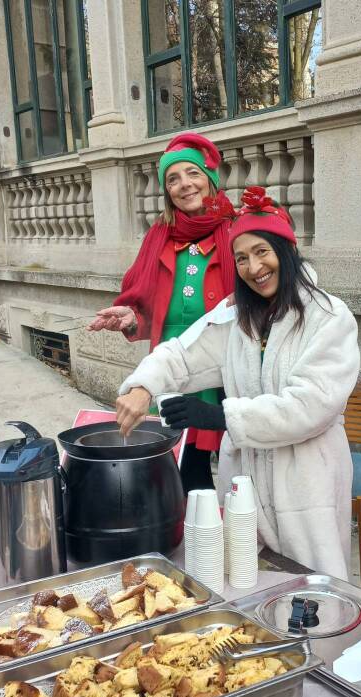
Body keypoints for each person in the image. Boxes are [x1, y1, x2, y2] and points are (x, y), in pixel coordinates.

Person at [114, 187, 360, 578]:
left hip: (306, 479)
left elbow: (309, 407)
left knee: (314, 590)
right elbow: (182, 353)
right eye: (241, 258)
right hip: (245, 478)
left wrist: (221, 417)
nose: (253, 266)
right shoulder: (237, 317)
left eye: (262, 251)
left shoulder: (328, 317)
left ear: (286, 250)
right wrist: (144, 387)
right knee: (248, 579)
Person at [88, 133, 236, 493]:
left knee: (239, 463)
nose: (184, 184)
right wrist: (134, 320)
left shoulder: (237, 229)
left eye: (193, 173)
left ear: (210, 178)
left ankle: (242, 536)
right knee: (186, 466)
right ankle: (196, 538)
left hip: (228, 363)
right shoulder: (159, 235)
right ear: (166, 190)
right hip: (172, 367)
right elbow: (154, 308)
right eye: (173, 178)